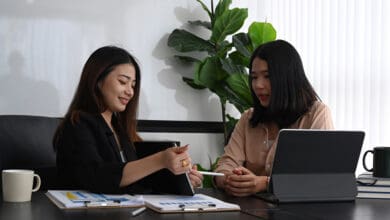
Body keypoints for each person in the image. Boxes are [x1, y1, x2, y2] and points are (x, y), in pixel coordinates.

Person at [54, 46, 203, 194]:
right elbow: (98, 177)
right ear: (98, 80)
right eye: (122, 82)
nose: (130, 92)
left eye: (133, 85)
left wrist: (180, 178)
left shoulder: (119, 127)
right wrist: (160, 159)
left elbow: (136, 181)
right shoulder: (78, 123)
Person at [213, 40, 334, 197]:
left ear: (288, 78)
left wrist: (264, 183)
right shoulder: (248, 117)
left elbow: (321, 177)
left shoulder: (317, 114)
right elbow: (226, 164)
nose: (258, 85)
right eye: (254, 77)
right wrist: (230, 179)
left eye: (267, 76)